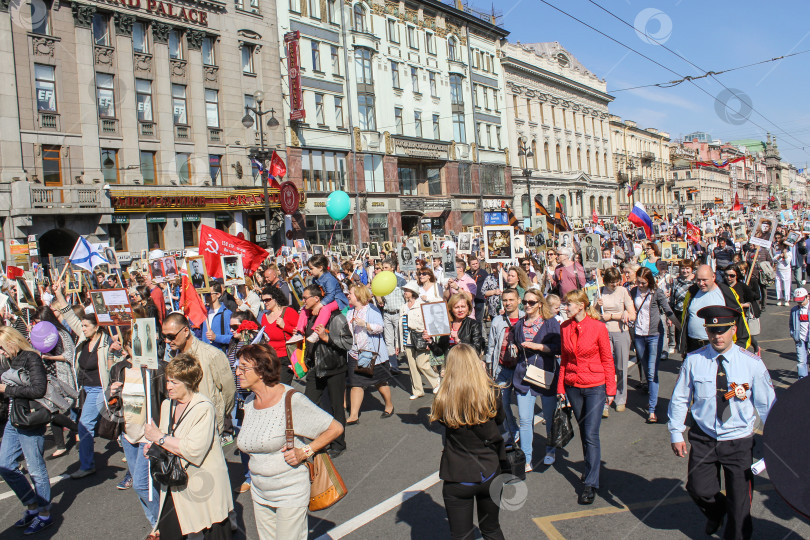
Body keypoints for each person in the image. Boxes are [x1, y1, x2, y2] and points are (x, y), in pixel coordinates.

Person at [667, 305, 775, 539]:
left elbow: (767, 405)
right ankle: (717, 511)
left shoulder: (751, 363)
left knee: (740, 504)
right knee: (698, 488)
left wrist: (775, 440)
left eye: (723, 330)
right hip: (704, 437)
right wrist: (676, 433)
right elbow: (680, 399)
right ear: (707, 332)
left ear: (734, 330)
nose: (717, 336)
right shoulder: (694, 361)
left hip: (738, 441)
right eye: (712, 331)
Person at [234, 344, 343, 540]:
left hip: (289, 491)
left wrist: (305, 451)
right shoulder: (250, 402)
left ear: (261, 371)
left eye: (243, 367)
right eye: (237, 366)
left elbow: (335, 428)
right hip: (260, 493)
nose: (237, 372)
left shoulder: (290, 400)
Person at [144, 354, 234, 540]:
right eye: (168, 381)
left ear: (189, 382)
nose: (168, 386)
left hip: (204, 482)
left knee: (215, 530)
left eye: (174, 382)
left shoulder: (203, 408)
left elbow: (194, 450)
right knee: (169, 530)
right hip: (175, 479)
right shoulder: (167, 405)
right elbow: (164, 440)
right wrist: (153, 449)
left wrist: (159, 439)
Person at [429, 344, 506, 540]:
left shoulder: (443, 398)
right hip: (488, 470)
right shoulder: (492, 393)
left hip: (458, 474)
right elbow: (500, 421)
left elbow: (440, 422)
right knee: (491, 529)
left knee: (461, 535)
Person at [557, 290, 615, 505]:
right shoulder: (565, 327)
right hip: (573, 385)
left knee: (591, 433)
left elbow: (607, 359)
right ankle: (591, 468)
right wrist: (561, 387)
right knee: (583, 430)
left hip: (595, 386)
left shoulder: (598, 327)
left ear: (581, 305)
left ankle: (590, 483)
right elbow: (563, 359)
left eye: (569, 304)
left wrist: (611, 389)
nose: (566, 307)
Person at [108, 325, 167, 531]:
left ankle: (161, 525)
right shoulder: (119, 368)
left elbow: (166, 401)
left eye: (140, 342)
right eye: (132, 343)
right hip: (128, 434)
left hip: (147, 435)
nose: (136, 347)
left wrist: (159, 433)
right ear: (126, 347)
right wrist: (112, 393)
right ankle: (158, 524)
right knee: (144, 487)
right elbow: (113, 404)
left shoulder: (157, 368)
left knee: (142, 484)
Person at [0, 327, 54, 535]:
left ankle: (44, 514)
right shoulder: (12, 359)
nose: (2, 352)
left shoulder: (31, 357)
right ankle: (32, 504)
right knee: (5, 465)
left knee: (35, 468)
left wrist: (8, 390)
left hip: (30, 418)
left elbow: (38, 389)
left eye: (3, 348)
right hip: (14, 419)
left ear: (12, 343)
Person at [162, 313, 236, 440]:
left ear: (186, 331)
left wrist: (218, 416)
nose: (167, 341)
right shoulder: (172, 356)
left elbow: (229, 392)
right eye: (165, 336)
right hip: (181, 427)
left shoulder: (212, 355)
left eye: (171, 336)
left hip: (207, 428)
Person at [300, 285, 351, 458]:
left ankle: (338, 443)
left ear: (316, 299)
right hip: (315, 367)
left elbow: (347, 343)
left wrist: (326, 338)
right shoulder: (308, 317)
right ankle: (323, 438)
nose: (303, 300)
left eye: (305, 297)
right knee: (309, 404)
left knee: (336, 407)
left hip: (333, 367)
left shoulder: (336, 318)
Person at [513, 290, 561, 469]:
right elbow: (514, 342)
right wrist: (512, 347)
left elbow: (560, 347)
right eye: (525, 302)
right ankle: (526, 458)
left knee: (549, 417)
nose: (527, 305)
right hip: (523, 377)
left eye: (531, 302)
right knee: (525, 420)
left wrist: (539, 346)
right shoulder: (519, 324)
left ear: (540, 303)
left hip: (545, 375)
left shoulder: (550, 323)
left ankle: (550, 449)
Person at [630, 267, 679, 424]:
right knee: (645, 369)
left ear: (649, 281)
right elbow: (628, 308)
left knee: (652, 372)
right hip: (638, 334)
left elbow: (667, 310)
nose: (640, 285)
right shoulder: (633, 292)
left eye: (643, 282)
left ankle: (652, 410)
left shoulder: (656, 292)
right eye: (638, 282)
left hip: (654, 335)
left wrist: (680, 328)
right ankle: (652, 398)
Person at [32, 305, 78, 458]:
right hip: (48, 375)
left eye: (39, 322)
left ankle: (77, 428)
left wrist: (49, 357)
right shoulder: (41, 336)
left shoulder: (62, 334)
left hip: (62, 374)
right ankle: (61, 444)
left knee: (70, 405)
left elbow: (69, 355)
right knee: (51, 408)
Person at [345, 283, 394, 423]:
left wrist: (365, 325)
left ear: (359, 296)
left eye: (351, 293)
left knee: (378, 382)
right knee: (356, 383)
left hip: (369, 353)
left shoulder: (371, 310)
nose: (348, 295)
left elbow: (380, 328)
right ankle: (354, 415)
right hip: (355, 352)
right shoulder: (349, 312)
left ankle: (389, 404)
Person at [679, 265, 751, 355]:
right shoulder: (691, 292)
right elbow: (685, 317)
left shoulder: (726, 292)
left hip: (718, 345)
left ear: (713, 277)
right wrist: (683, 344)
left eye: (704, 280)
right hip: (693, 345)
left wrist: (741, 344)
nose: (701, 283)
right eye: (698, 280)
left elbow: (740, 318)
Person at [596, 267, 636, 413]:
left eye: (616, 281)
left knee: (621, 366)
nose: (614, 285)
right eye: (611, 282)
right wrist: (596, 306)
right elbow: (593, 314)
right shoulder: (600, 291)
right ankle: (605, 399)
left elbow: (632, 315)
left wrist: (614, 316)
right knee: (605, 367)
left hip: (620, 331)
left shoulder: (623, 291)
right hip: (603, 332)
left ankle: (620, 397)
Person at [398, 281, 440, 399]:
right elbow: (400, 327)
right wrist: (398, 343)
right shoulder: (403, 307)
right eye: (405, 290)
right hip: (407, 339)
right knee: (412, 366)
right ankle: (417, 390)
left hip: (420, 338)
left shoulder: (422, 304)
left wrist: (430, 339)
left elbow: (430, 322)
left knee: (422, 363)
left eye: (407, 290)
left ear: (413, 293)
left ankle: (435, 380)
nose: (405, 293)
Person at [297, 255, 349, 344]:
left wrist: (319, 305)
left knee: (326, 309)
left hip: (337, 300)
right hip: (325, 299)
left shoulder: (329, 278)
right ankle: (299, 332)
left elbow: (331, 295)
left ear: (320, 267)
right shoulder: (315, 279)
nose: (310, 271)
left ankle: (316, 333)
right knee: (305, 309)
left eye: (311, 268)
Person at [258, 286, 298, 385]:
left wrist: (285, 326)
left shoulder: (288, 312)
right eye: (263, 300)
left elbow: (300, 333)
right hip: (270, 358)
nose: (265, 303)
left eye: (267, 300)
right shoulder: (264, 316)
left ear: (275, 298)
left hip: (285, 357)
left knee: (282, 388)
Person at [427, 294, 484, 360]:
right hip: (450, 364)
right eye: (456, 307)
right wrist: (430, 341)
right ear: (451, 309)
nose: (460, 310)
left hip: (467, 364)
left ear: (468, 307)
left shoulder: (473, 324)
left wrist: (458, 340)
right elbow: (440, 352)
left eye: (463, 306)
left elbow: (476, 350)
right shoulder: (447, 325)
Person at [378, 259, 406, 374]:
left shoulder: (401, 281)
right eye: (382, 268)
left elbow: (407, 297)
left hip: (398, 313)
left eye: (385, 268)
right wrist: (379, 298)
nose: (383, 270)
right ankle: (393, 365)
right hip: (387, 313)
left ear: (392, 268)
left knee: (399, 339)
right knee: (389, 340)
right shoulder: (382, 281)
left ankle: (410, 360)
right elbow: (377, 292)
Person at [203, 283, 233, 352]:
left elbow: (232, 338)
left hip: (219, 354)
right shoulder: (204, 313)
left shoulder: (227, 313)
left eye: (208, 294)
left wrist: (216, 337)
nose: (205, 296)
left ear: (218, 295)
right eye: (204, 294)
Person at [789, 287, 810, 378]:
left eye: (801, 301)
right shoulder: (794, 310)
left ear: (807, 297)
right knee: (801, 362)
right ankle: (802, 381)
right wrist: (793, 334)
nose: (800, 303)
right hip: (800, 340)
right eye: (798, 301)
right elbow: (791, 324)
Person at [468, 257, 489, 322]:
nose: (475, 265)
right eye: (473, 264)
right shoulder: (467, 274)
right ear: (469, 265)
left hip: (480, 299)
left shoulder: (483, 273)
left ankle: (479, 332)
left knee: (479, 320)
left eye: (476, 263)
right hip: (470, 299)